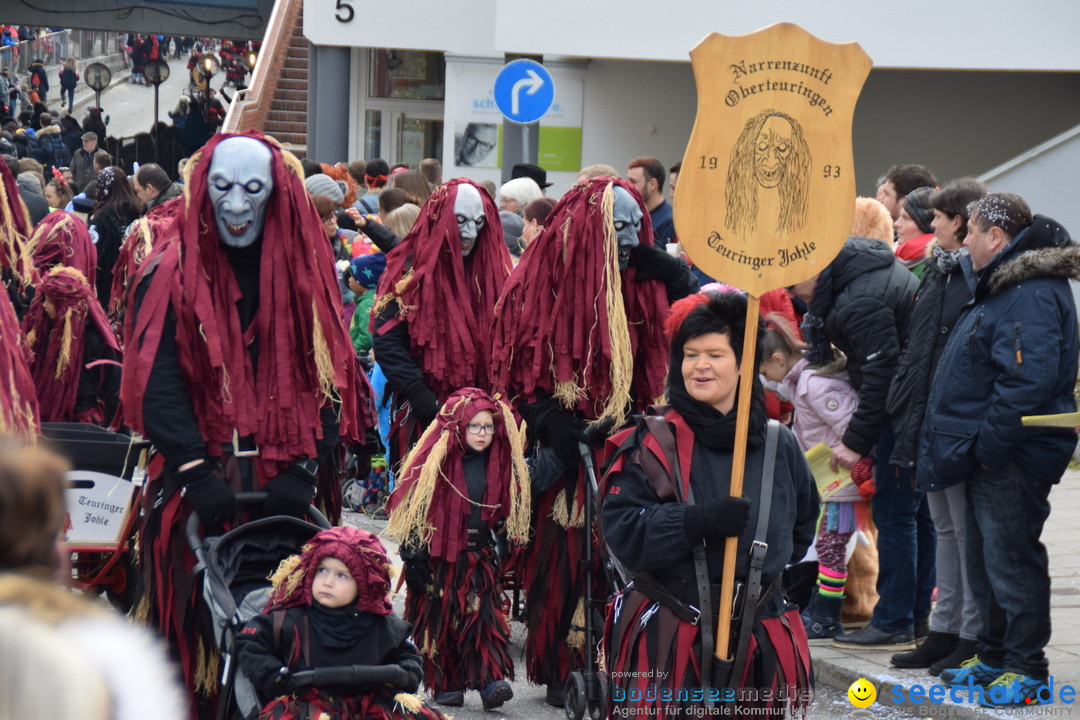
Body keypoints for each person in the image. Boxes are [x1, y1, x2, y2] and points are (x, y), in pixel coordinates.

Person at [120, 131, 371, 717]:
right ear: (203, 191)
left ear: (275, 193)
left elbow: (329, 377)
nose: (236, 204)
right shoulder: (167, 273)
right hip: (197, 487)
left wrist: (306, 468)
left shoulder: (304, 277)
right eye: (223, 188)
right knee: (190, 635)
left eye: (252, 189)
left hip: (286, 485)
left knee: (290, 629)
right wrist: (192, 470)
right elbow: (156, 383)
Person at [489, 176, 688, 706]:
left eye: (632, 224)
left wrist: (678, 276)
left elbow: (700, 332)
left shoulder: (646, 274)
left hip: (635, 443)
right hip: (569, 450)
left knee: (627, 560)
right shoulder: (540, 278)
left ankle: (625, 663)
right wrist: (552, 420)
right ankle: (563, 667)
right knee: (564, 557)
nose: (626, 236)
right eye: (614, 226)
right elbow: (518, 361)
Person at [601, 290, 818, 717]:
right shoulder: (651, 442)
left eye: (715, 354)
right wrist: (694, 522)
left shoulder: (780, 444)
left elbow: (799, 529)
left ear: (743, 363)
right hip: (671, 635)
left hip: (757, 639)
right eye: (690, 354)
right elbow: (622, 533)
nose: (700, 365)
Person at [920, 194, 1079, 707]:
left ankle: (1026, 668)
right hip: (989, 450)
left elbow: (1026, 379)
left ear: (997, 237)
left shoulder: (1027, 291)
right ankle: (992, 656)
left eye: (972, 231)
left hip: (1013, 451)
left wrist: (989, 444)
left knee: (1011, 560)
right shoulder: (1002, 285)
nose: (963, 240)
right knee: (987, 559)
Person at [798, 234, 929, 652]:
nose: (792, 295)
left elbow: (881, 375)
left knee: (897, 515)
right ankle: (918, 617)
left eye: (793, 284)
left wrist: (855, 442)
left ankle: (893, 619)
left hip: (904, 408)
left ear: (813, 269)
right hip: (913, 402)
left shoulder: (857, 300)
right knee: (917, 514)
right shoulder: (858, 275)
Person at [886, 178, 986, 674]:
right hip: (929, 417)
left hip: (957, 422)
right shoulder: (939, 271)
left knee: (964, 531)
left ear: (961, 222)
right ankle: (942, 628)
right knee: (946, 529)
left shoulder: (977, 277)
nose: (934, 226)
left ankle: (969, 633)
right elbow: (919, 350)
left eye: (941, 219)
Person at [386, 388, 530, 709]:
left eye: (488, 427)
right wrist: (412, 556)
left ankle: (490, 680)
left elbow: (517, 495)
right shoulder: (433, 464)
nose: (482, 434)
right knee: (441, 618)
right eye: (474, 426)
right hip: (437, 557)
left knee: (483, 618)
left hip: (479, 555)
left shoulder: (501, 462)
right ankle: (446, 682)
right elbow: (412, 509)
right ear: (459, 426)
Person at [234, 526, 446, 720]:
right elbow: (251, 643)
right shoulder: (289, 619)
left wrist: (405, 672)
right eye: (322, 570)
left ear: (364, 585)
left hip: (368, 707)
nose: (328, 582)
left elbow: (407, 655)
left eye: (342, 576)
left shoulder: (382, 625)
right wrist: (273, 674)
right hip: (307, 708)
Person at [371, 179, 508, 465]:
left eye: (478, 222)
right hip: (425, 416)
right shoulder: (407, 274)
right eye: (460, 221)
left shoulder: (498, 277)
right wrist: (419, 393)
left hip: (486, 416)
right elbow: (387, 341)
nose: (470, 232)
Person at [759, 314, 873, 641]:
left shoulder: (815, 385)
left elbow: (852, 424)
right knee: (829, 546)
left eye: (767, 372)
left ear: (779, 359)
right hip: (834, 482)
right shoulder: (803, 381)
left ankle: (826, 615)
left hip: (844, 481)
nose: (768, 380)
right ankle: (823, 611)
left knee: (831, 546)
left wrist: (845, 450)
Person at [21, 266, 122, 424]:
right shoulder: (46, 331)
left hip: (82, 423)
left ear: (65, 304)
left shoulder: (94, 339)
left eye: (49, 301)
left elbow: (114, 385)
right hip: (48, 419)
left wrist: (119, 430)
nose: (44, 306)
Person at [88, 166, 142, 308]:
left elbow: (94, 255)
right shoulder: (137, 211)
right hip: (132, 277)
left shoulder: (101, 217)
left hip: (107, 284)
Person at [627, 156, 675, 244]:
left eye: (633, 182)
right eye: (627, 182)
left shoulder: (669, 221)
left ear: (652, 184)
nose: (628, 187)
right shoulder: (633, 216)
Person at [893, 186, 936, 277]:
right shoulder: (892, 253)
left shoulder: (932, 271)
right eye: (900, 217)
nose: (896, 224)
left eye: (906, 218)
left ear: (927, 227)